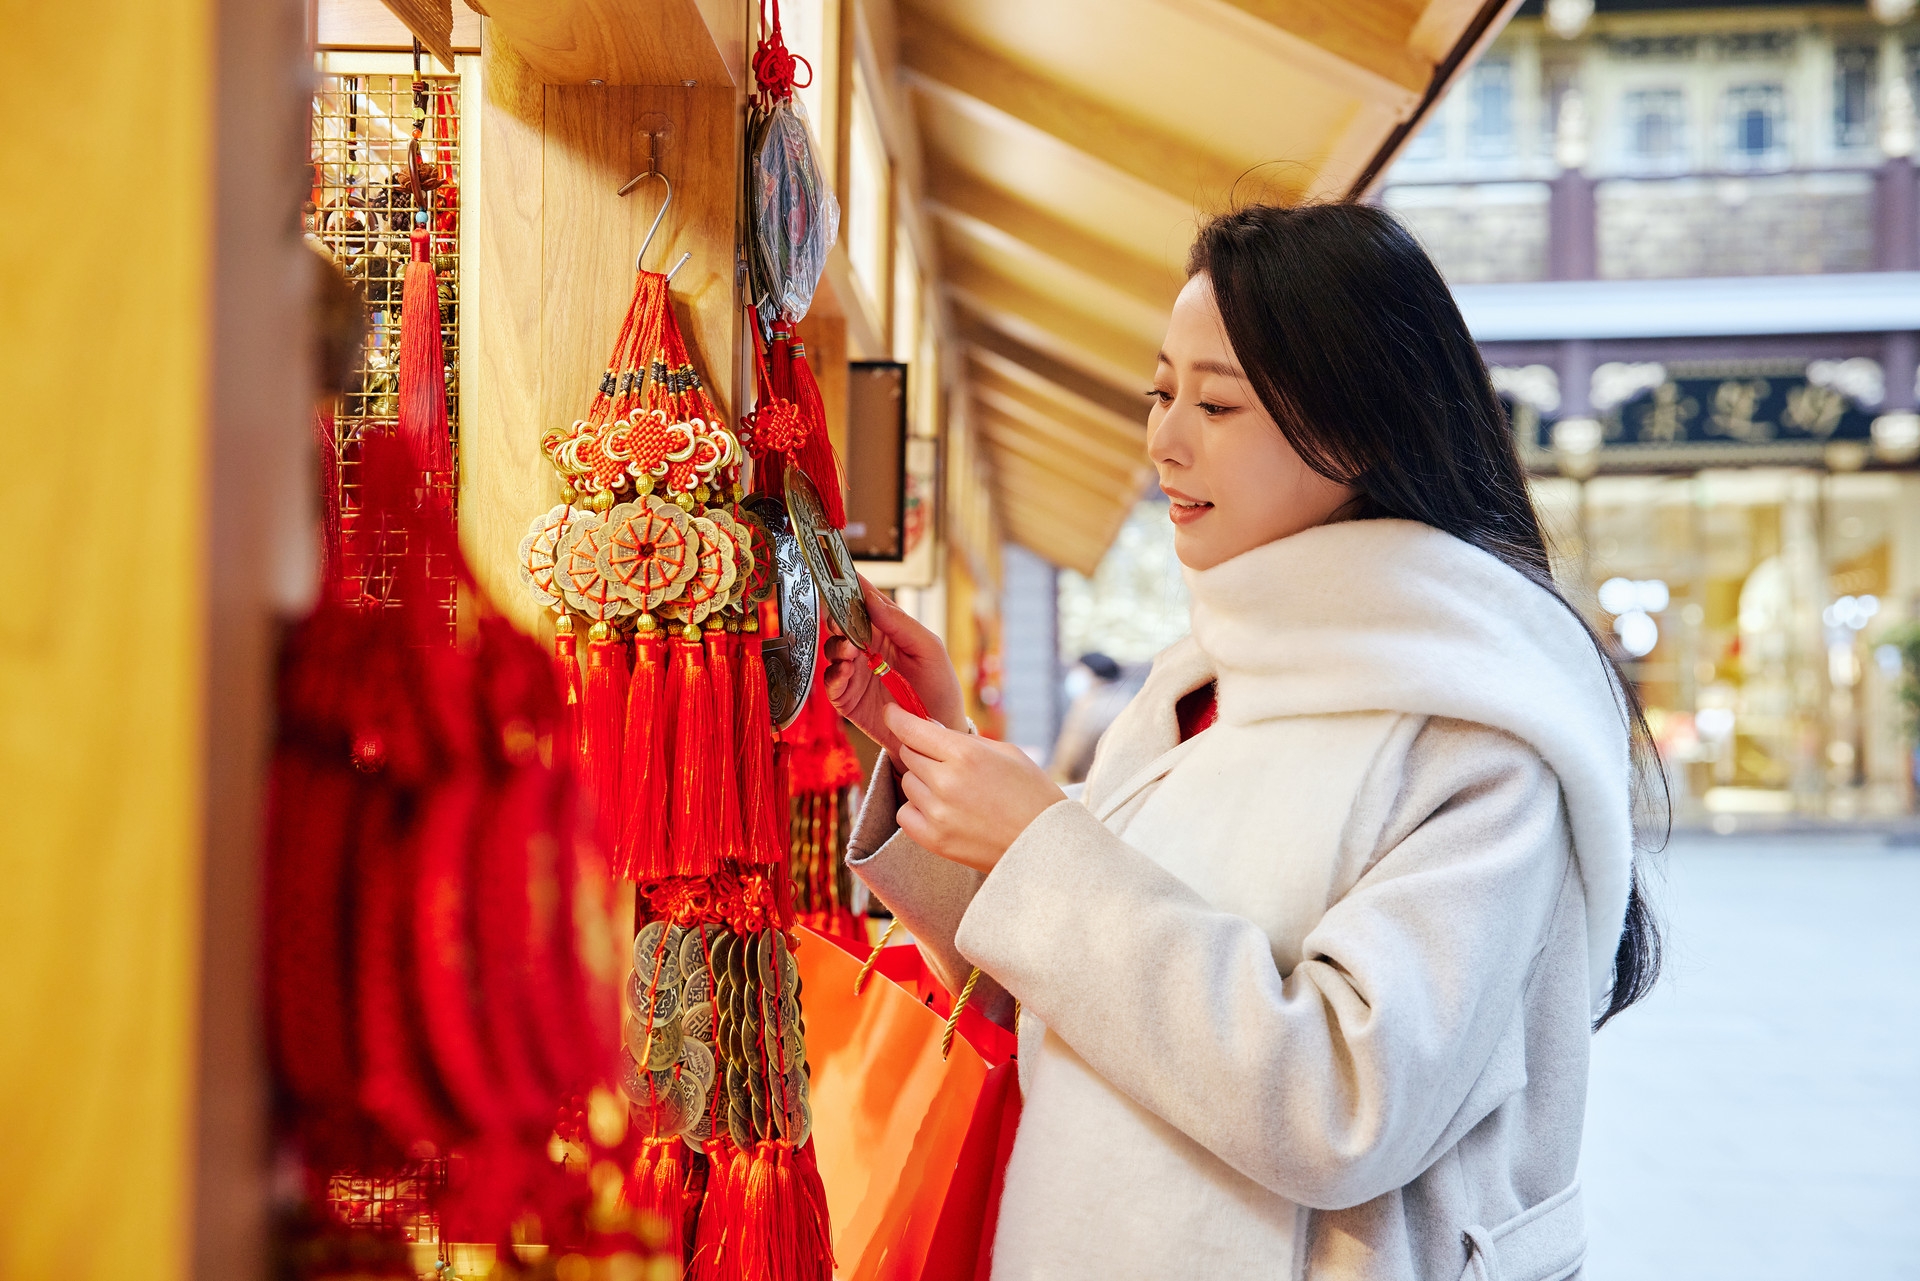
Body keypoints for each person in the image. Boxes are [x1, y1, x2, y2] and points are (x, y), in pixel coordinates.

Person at [822, 202, 1661, 1281]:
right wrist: (944, 761)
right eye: (1162, 391)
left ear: (1357, 425)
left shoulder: (1480, 730)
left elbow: (1345, 1104)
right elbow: (1070, 1005)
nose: (1165, 441)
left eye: (1217, 403)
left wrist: (1037, 845)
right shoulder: (1202, 681)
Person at [1047, 651, 1141, 784]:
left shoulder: (1089, 707)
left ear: (1092, 674)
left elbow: (1071, 757)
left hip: (1089, 785)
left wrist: (1055, 777)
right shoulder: (1127, 700)